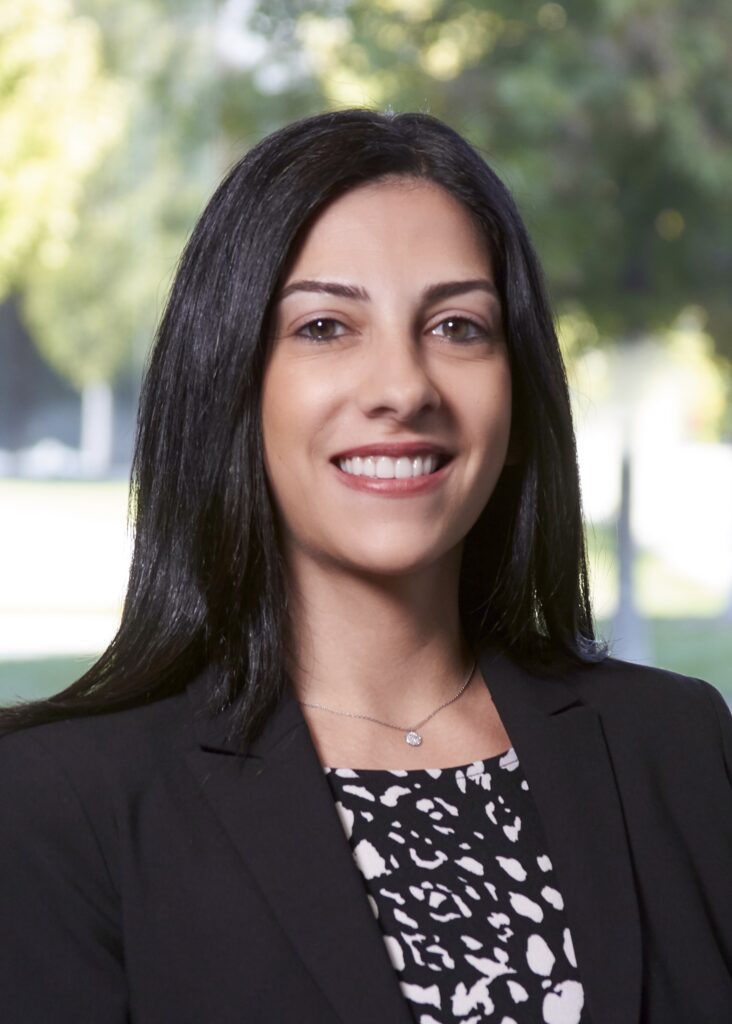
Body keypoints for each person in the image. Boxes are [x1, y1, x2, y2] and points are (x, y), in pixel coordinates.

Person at [1, 109, 730, 1024]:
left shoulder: (680, 749)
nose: (404, 387)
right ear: (230, 380)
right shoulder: (53, 806)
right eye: (325, 327)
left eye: (459, 326)